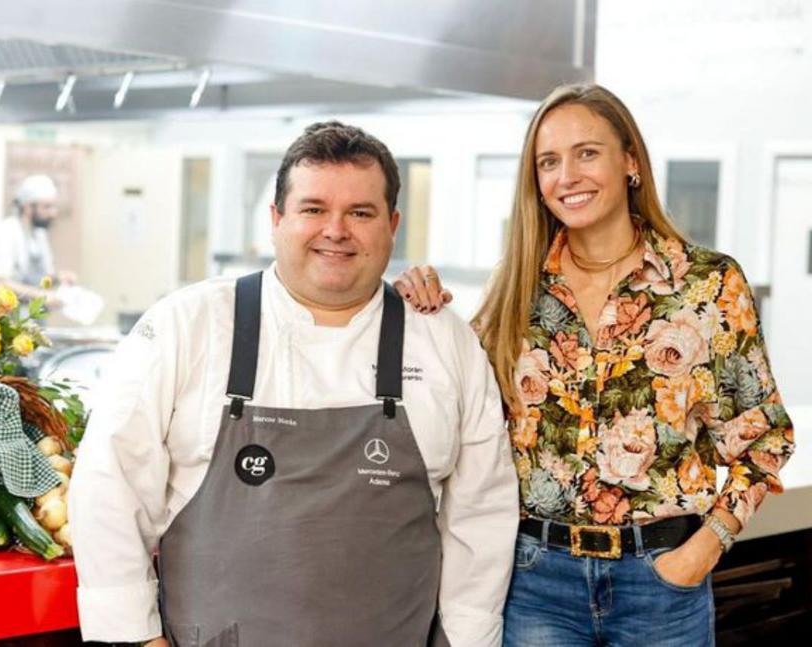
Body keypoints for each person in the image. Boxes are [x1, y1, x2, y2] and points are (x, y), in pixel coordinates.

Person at [69, 121, 519, 646]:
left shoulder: (443, 341)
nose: (336, 230)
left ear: (392, 225)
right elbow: (110, 483)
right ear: (276, 219)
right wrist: (136, 639)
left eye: (361, 213)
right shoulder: (188, 325)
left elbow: (481, 513)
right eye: (313, 209)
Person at [395, 83, 795, 646]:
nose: (567, 176)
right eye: (548, 162)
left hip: (662, 585)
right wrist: (420, 310)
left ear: (630, 161)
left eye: (586, 153)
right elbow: (463, 407)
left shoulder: (708, 286)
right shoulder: (517, 286)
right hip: (535, 583)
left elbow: (765, 440)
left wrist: (704, 550)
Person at [0, 174, 75, 300]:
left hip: (34, 311)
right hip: (11, 312)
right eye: (47, 207)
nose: (53, 213)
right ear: (28, 207)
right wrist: (41, 296)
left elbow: (40, 279)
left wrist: (58, 278)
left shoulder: (39, 234)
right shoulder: (6, 231)